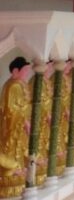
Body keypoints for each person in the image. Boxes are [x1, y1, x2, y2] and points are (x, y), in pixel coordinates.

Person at [0, 57, 32, 198]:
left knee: (19, 146)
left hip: (20, 125)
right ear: (15, 71)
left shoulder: (20, 85)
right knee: (11, 145)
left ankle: (17, 167)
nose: (26, 74)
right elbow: (10, 109)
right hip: (12, 125)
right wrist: (23, 120)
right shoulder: (12, 86)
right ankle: (11, 168)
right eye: (24, 71)